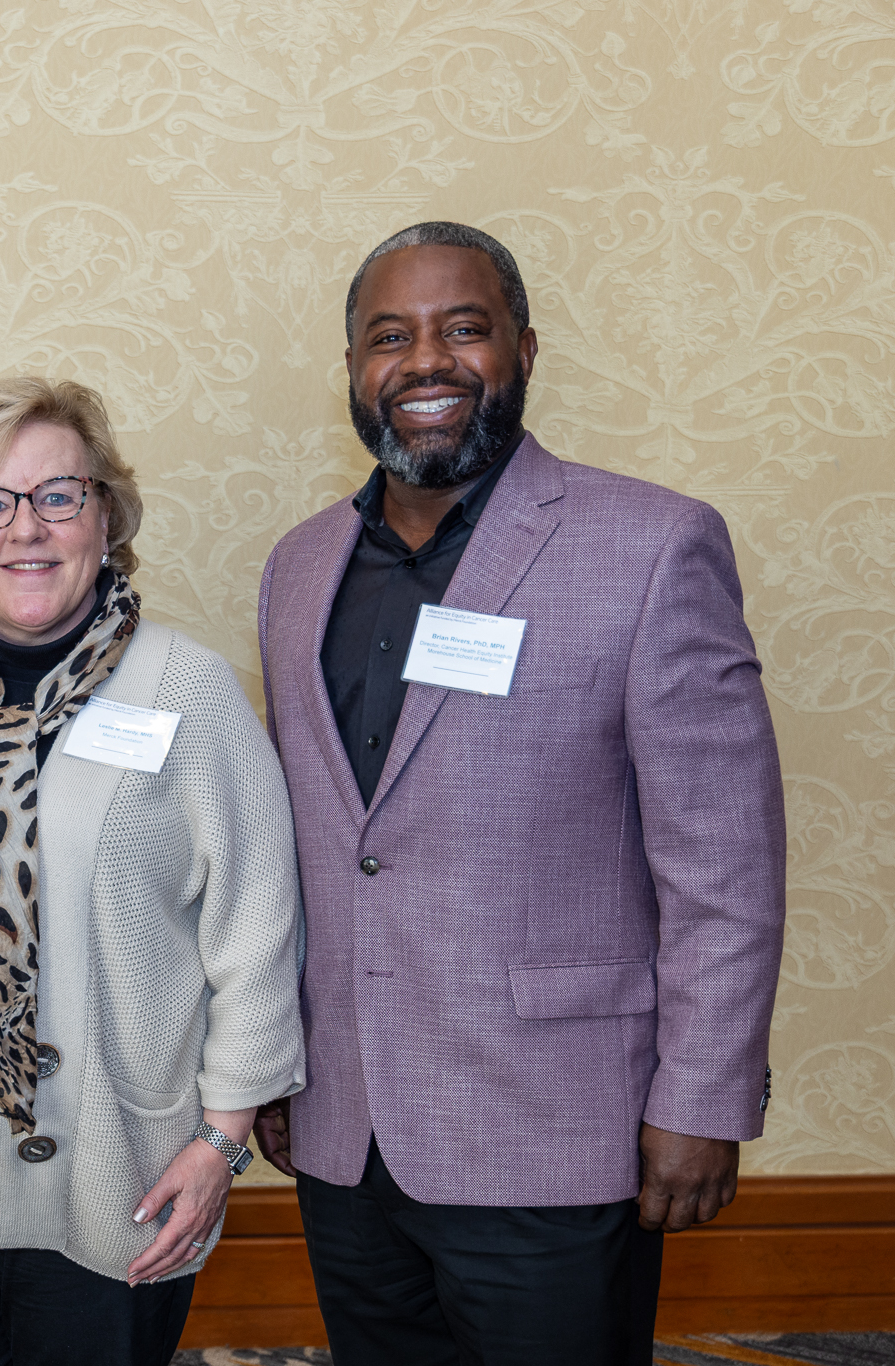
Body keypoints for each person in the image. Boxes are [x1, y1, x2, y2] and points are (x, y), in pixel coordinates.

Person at [252, 221, 787, 1364]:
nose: (424, 361)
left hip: (552, 1128)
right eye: (386, 336)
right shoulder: (297, 569)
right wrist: (272, 1062)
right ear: (352, 370)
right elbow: (313, 847)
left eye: (463, 328)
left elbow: (723, 863)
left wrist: (701, 1095)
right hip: (346, 1132)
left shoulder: (649, 545)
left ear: (524, 349)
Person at [0, 377, 306, 1366]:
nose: (25, 530)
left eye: (58, 495)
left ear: (103, 514)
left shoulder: (185, 689)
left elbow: (258, 925)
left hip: (108, 1170)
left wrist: (221, 1141)